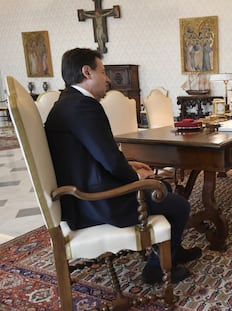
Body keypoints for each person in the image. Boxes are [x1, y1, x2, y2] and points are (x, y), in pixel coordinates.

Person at [45, 48, 201, 284]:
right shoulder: (84, 107)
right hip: (97, 202)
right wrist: (137, 178)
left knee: (162, 189)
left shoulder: (66, 103)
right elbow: (109, 160)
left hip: (80, 197)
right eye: (103, 71)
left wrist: (129, 165)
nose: (107, 79)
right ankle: (156, 269)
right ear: (87, 72)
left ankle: (172, 251)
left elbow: (96, 156)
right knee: (178, 204)